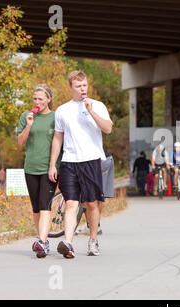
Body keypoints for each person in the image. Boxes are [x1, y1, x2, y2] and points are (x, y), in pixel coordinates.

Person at [48, 70, 113, 258]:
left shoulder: (97, 105)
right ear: (71, 87)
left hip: (91, 160)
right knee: (70, 203)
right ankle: (68, 242)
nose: (82, 89)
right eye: (78, 86)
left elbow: (108, 128)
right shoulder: (62, 110)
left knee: (92, 204)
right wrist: (53, 164)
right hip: (69, 162)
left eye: (84, 85)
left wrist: (90, 111)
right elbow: (57, 138)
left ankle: (93, 240)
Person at [17, 84, 59, 258]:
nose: (37, 102)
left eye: (41, 99)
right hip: (30, 167)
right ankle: (44, 241)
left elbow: (60, 143)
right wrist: (28, 125)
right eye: (35, 99)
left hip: (48, 169)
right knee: (36, 208)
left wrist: (54, 165)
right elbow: (20, 142)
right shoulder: (25, 116)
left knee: (45, 205)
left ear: (48, 99)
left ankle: (41, 241)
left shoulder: (55, 117)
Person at [86, 149, 114, 235]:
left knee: (91, 197)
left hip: (101, 160)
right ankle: (95, 225)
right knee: (98, 196)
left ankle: (91, 226)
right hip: (106, 159)